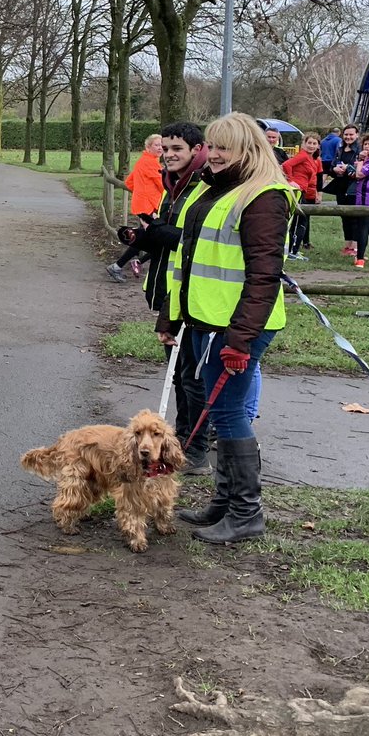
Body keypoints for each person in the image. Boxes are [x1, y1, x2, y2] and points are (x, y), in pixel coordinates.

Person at [157, 112, 296, 544]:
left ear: (248, 150)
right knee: (219, 411)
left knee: (231, 413)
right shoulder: (211, 188)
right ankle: (223, 502)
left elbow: (263, 275)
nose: (214, 155)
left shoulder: (263, 197)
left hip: (235, 328)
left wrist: (241, 338)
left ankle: (246, 512)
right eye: (211, 146)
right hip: (203, 319)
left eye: (224, 148)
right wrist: (171, 314)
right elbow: (187, 258)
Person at [128, 122, 213, 474]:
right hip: (169, 290)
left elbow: (193, 240)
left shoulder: (203, 188)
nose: (169, 154)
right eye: (165, 148)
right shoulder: (172, 186)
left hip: (193, 295)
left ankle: (196, 449)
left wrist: (161, 232)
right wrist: (140, 237)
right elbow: (163, 232)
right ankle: (181, 439)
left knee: (192, 377)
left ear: (196, 149)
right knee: (178, 374)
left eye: (177, 148)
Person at [107, 134, 164, 282]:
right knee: (152, 238)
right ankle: (120, 265)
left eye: (161, 145)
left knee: (146, 238)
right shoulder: (151, 163)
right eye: (156, 145)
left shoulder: (143, 161)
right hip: (149, 207)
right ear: (148, 147)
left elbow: (129, 182)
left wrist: (141, 190)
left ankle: (129, 263)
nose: (160, 148)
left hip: (143, 205)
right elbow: (163, 185)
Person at [282, 132, 321, 258]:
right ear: (303, 144)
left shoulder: (311, 158)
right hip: (297, 191)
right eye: (309, 143)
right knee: (299, 220)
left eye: (314, 143)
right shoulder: (303, 156)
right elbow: (286, 165)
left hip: (303, 191)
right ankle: (293, 251)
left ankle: (294, 249)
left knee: (301, 221)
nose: (311, 145)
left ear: (318, 146)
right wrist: (290, 180)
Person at [327, 123, 362, 256]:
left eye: (351, 134)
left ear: (356, 135)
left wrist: (349, 168)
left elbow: (362, 169)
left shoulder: (360, 150)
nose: (348, 137)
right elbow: (332, 166)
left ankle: (355, 247)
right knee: (344, 216)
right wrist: (335, 169)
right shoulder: (340, 148)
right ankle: (347, 246)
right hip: (341, 186)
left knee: (354, 217)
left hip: (354, 187)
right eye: (346, 134)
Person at [351, 134, 369, 268]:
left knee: (363, 228)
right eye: (365, 144)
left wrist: (360, 161)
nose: (366, 146)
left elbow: (359, 174)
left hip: (368, 199)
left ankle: (360, 259)